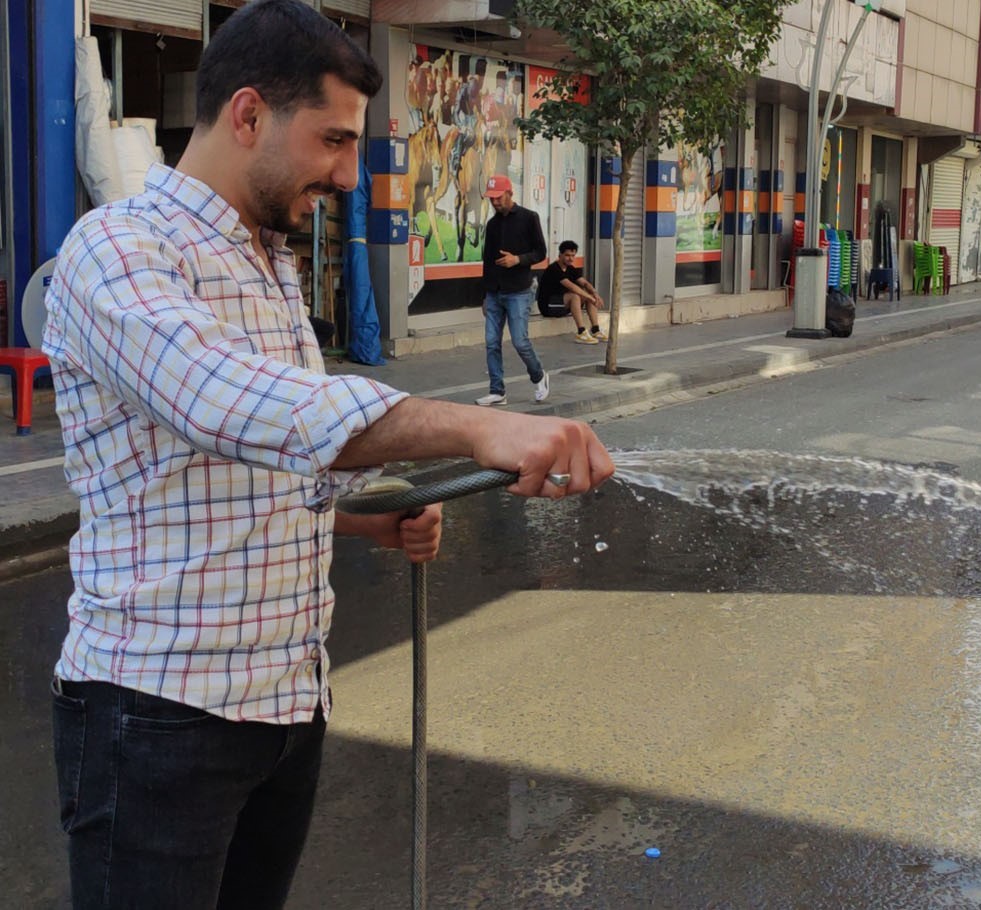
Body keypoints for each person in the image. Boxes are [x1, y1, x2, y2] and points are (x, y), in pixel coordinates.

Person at [40, 3, 613, 908]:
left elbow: (253, 458)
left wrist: (360, 516)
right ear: (248, 114)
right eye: (334, 141)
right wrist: (477, 426)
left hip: (285, 704)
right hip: (157, 716)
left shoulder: (271, 259)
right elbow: (225, 403)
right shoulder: (118, 251)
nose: (350, 174)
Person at [479, 173, 549, 406]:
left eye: (498, 197)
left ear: (510, 193)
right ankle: (497, 391)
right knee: (491, 342)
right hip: (494, 292)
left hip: (519, 290)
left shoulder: (529, 218)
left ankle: (539, 376)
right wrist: (485, 295)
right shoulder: (492, 224)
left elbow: (541, 252)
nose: (495, 202)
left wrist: (517, 259)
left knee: (520, 341)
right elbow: (487, 261)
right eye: (491, 199)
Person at [538, 240, 608, 344]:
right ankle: (581, 332)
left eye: (573, 255)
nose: (570, 258)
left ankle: (595, 329)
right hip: (548, 306)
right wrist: (590, 298)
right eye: (567, 255)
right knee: (575, 296)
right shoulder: (554, 269)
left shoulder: (571, 268)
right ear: (560, 255)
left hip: (562, 304)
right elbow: (572, 287)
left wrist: (594, 293)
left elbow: (584, 283)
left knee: (587, 294)